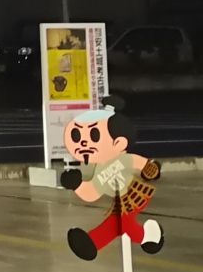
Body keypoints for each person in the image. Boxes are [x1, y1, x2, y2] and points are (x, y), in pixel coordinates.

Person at [60, 102, 164, 260]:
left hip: (135, 194)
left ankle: (147, 236)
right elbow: (92, 192)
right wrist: (77, 185)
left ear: (119, 142)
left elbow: (140, 163)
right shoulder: (99, 170)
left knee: (123, 221)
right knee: (114, 225)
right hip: (119, 202)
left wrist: (150, 169)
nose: (84, 143)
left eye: (94, 135)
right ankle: (93, 242)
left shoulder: (123, 159)